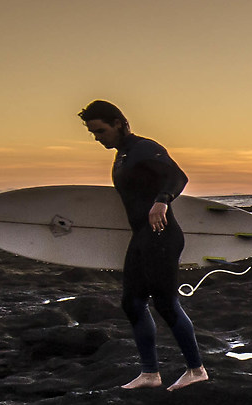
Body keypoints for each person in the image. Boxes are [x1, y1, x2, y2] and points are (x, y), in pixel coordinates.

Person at [80, 100, 206, 390]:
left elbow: (177, 176)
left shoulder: (144, 148)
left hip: (161, 234)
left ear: (119, 123)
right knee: (132, 303)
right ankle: (150, 374)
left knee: (165, 303)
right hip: (141, 236)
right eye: (93, 133)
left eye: (100, 131)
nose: (98, 138)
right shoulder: (123, 155)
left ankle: (196, 369)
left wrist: (162, 200)